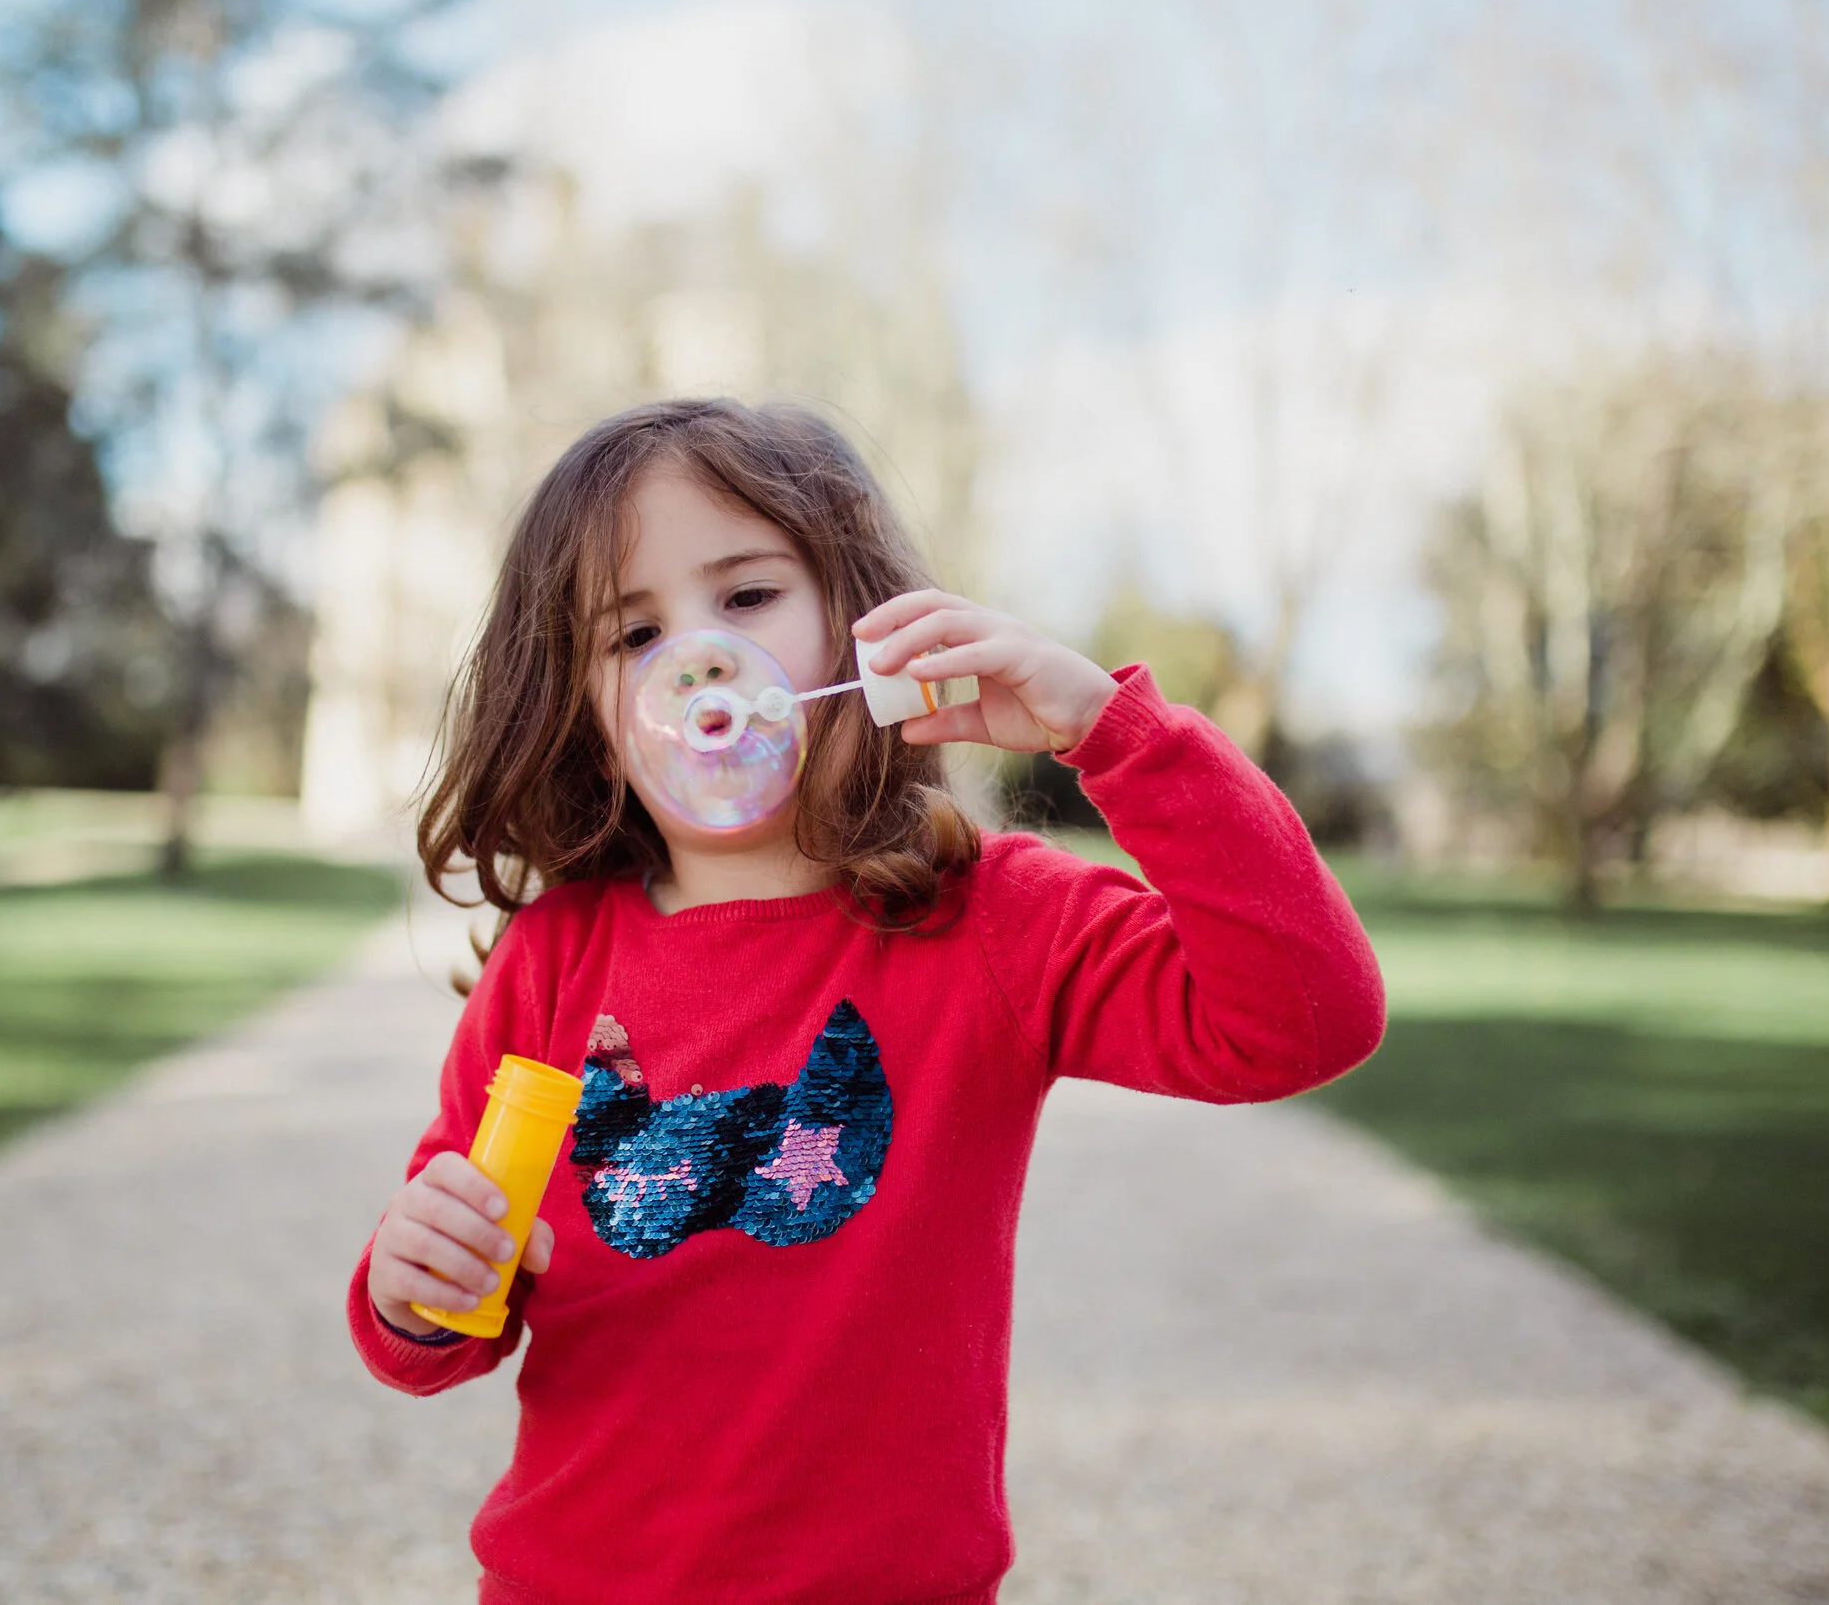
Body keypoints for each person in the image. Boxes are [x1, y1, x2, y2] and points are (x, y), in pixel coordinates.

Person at [345, 398, 1387, 1605]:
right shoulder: (553, 958)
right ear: (585, 711)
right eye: (631, 633)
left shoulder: (992, 921)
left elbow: (1305, 1012)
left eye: (746, 597)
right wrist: (412, 1282)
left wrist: (1114, 730)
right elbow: (437, 1321)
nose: (699, 662)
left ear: (865, 621)